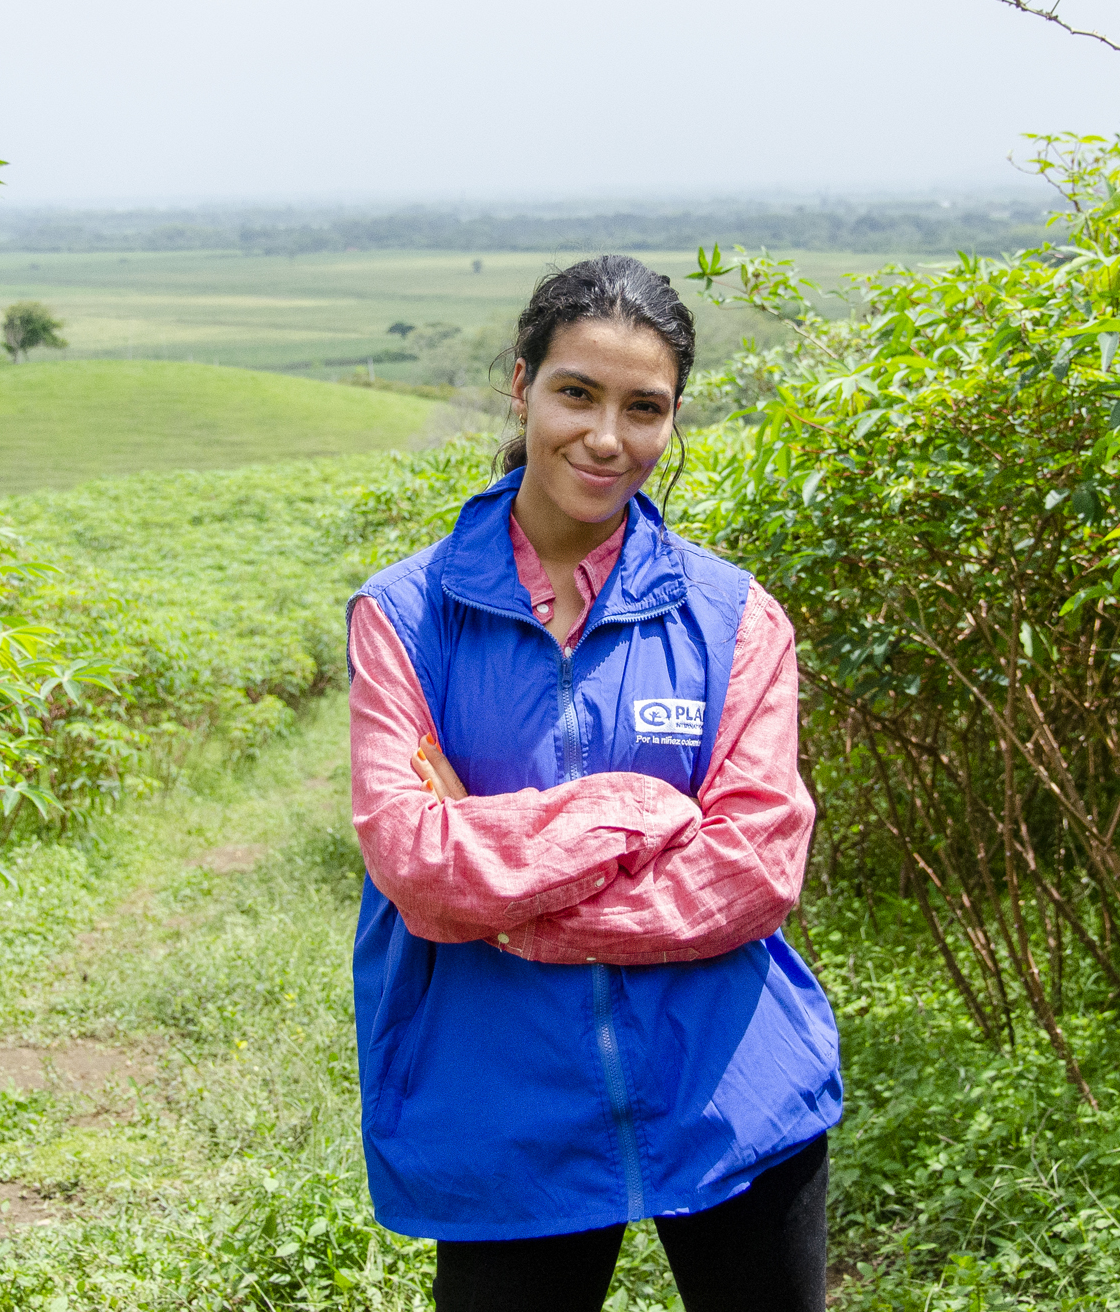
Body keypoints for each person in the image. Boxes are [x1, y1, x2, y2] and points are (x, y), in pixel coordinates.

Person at [346, 255, 842, 1312]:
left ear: (673, 419)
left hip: (733, 1093)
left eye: (643, 407)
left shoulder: (733, 619)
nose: (607, 437)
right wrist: (637, 808)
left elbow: (754, 869)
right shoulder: (405, 619)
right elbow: (418, 866)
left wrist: (511, 905)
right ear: (520, 385)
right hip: (503, 1112)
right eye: (576, 392)